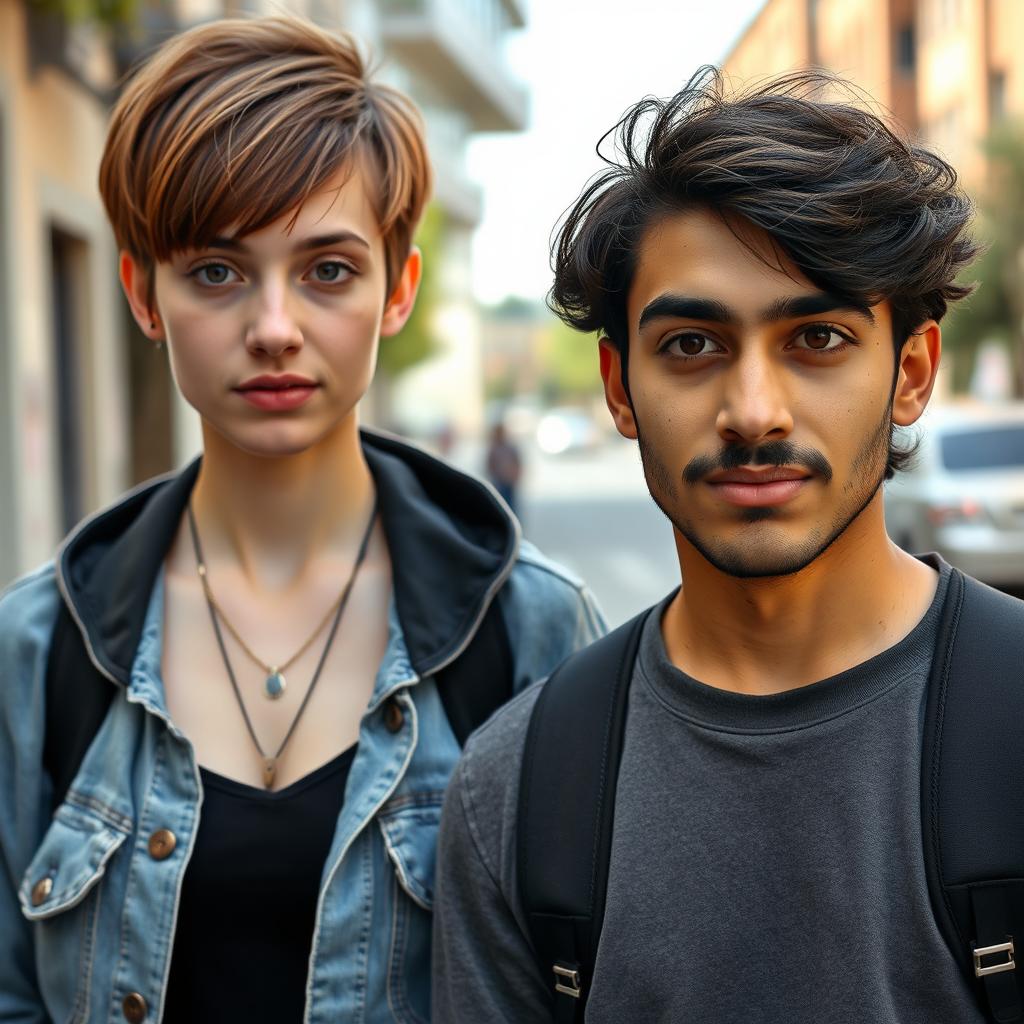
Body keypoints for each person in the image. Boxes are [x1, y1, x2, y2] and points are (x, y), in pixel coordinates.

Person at [0, 17, 604, 1024]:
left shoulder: (529, 631)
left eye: (327, 270)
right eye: (216, 271)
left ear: (396, 289)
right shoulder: (39, 650)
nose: (273, 327)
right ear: (143, 294)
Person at [433, 68, 1020, 1022]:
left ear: (911, 372)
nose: (753, 412)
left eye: (818, 338)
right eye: (693, 346)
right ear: (619, 387)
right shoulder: (521, 791)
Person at [485, 420, 523, 515]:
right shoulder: (494, 448)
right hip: (499, 482)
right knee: (501, 505)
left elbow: (517, 463)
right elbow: (490, 465)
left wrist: (515, 476)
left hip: (509, 481)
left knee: (511, 505)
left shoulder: (510, 447)